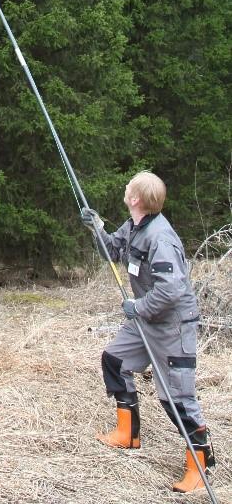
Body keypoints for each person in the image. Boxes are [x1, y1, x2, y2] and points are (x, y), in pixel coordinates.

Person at [81, 171, 215, 493]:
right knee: (115, 361)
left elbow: (170, 291)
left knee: (177, 399)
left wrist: (137, 308)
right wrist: (97, 228)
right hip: (146, 321)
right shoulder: (134, 226)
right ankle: (128, 434)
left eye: (130, 186)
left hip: (171, 326)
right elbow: (113, 251)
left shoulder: (160, 238)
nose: (125, 187)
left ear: (136, 198)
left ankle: (200, 465)